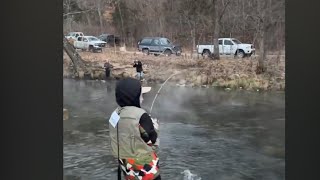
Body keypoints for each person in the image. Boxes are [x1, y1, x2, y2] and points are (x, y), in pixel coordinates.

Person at [109, 78, 161, 180]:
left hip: (125, 166)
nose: (142, 98)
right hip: (144, 169)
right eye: (141, 95)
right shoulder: (141, 115)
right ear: (133, 96)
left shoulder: (115, 114)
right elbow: (152, 141)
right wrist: (155, 127)